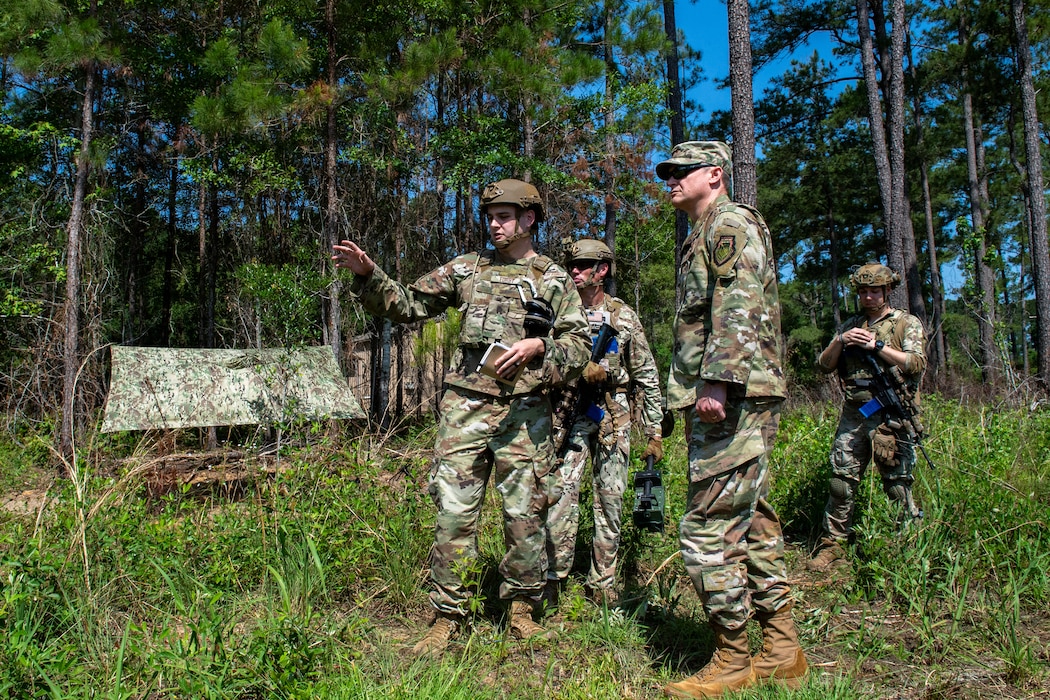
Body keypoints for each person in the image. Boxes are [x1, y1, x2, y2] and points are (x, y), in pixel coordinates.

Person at [332, 179, 591, 656]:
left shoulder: (553, 278)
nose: (494, 222)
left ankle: (521, 610)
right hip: (466, 407)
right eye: (489, 214)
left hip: (526, 409)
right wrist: (370, 275)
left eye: (505, 214)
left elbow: (579, 346)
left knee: (524, 515)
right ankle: (449, 615)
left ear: (530, 218)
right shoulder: (465, 269)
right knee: (453, 513)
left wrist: (541, 346)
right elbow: (409, 305)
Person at [657, 141, 808, 698]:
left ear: (714, 175)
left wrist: (717, 380)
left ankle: (732, 659)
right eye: (665, 172)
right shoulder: (703, 232)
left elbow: (738, 300)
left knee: (707, 527)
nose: (669, 179)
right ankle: (782, 648)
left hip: (732, 395)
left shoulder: (729, 224)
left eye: (679, 171)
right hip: (736, 393)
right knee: (754, 520)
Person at [544, 238, 664, 606]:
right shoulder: (560, 315)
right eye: (572, 266)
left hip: (615, 416)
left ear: (602, 271)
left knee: (609, 501)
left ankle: (603, 581)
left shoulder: (623, 317)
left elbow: (646, 373)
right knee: (559, 497)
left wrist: (654, 432)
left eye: (583, 266)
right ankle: (553, 578)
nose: (575, 272)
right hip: (569, 416)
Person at [808, 263, 927, 572]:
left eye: (875, 291)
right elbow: (823, 365)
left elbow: (914, 364)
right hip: (856, 412)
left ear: (887, 291)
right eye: (863, 291)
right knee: (841, 481)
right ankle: (834, 542)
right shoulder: (851, 325)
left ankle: (908, 545)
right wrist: (840, 340)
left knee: (897, 482)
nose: (869, 297)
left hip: (891, 412)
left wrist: (877, 346)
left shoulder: (905, 324)